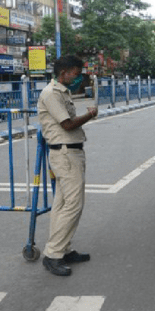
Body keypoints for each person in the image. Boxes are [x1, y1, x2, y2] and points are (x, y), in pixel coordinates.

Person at [37, 54, 97, 277]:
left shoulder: (62, 92)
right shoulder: (52, 94)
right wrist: (89, 115)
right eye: (76, 73)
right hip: (65, 154)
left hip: (68, 153)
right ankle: (53, 255)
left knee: (62, 205)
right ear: (65, 72)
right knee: (73, 205)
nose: (78, 78)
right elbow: (68, 124)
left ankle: (63, 248)